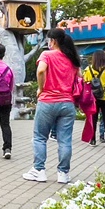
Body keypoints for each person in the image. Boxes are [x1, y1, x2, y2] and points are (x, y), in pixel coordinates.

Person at [23, 27, 82, 184]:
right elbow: (80, 77)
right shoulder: (72, 58)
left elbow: (41, 71)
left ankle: (39, 170)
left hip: (48, 101)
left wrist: (41, 89)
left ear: (53, 41)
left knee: (40, 137)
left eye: (49, 40)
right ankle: (63, 174)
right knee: (64, 140)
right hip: (68, 104)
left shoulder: (47, 55)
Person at [83, 51, 105, 146]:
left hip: (93, 98)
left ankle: (92, 140)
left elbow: (86, 83)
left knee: (93, 119)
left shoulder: (88, 69)